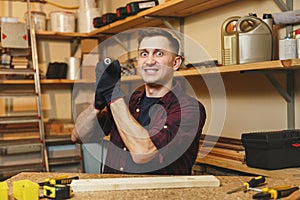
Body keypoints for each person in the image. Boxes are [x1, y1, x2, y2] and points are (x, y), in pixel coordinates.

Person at [71, 28, 206, 175]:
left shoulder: (190, 109)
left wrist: (113, 96)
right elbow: (78, 136)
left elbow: (143, 154)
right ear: (138, 62)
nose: (149, 61)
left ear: (175, 62)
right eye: (144, 54)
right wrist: (98, 103)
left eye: (159, 53)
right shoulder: (128, 102)